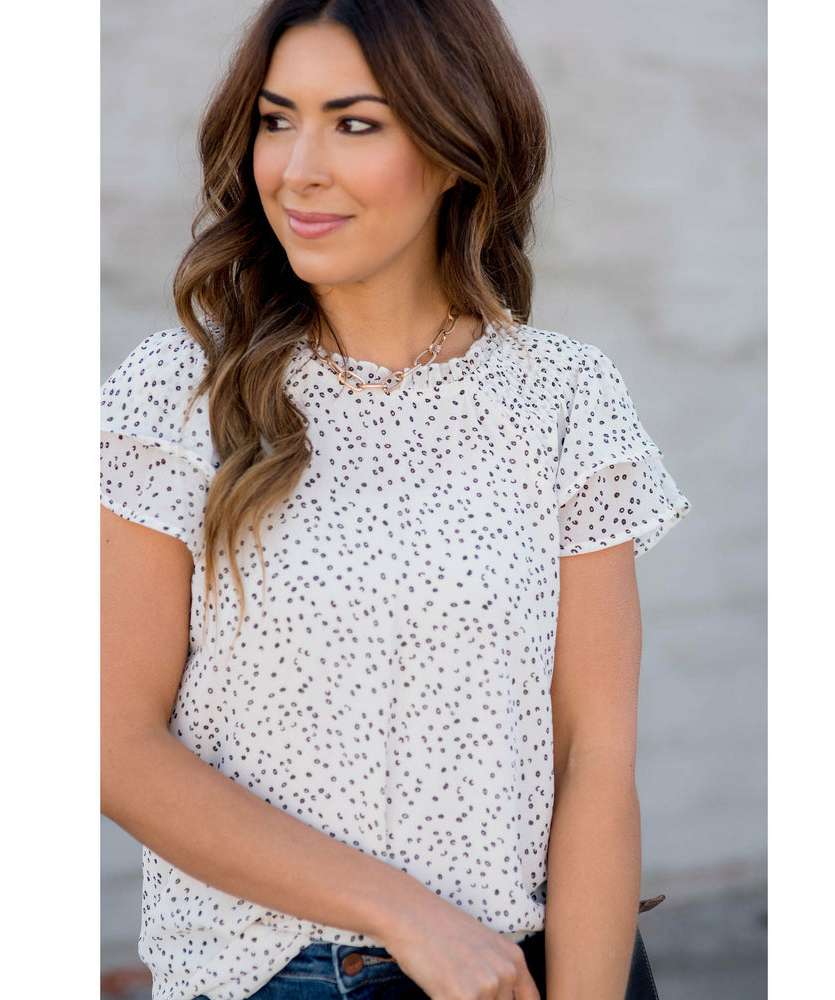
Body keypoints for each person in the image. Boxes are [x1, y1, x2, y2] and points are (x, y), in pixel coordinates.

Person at [100, 1, 690, 998]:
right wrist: (405, 913)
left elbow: (595, 759)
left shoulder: (562, 397)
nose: (299, 168)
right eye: (277, 120)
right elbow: (113, 744)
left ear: (456, 146)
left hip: (521, 970)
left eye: (355, 123)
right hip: (275, 978)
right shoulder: (178, 393)